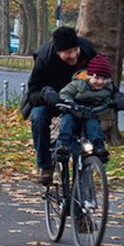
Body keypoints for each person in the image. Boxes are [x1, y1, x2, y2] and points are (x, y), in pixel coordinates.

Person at [25, 26, 96, 185]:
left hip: (77, 97)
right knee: (38, 118)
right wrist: (46, 95)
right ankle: (45, 165)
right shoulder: (44, 59)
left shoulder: (88, 51)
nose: (73, 56)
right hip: (50, 99)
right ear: (58, 53)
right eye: (67, 53)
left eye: (75, 50)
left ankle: (87, 160)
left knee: (86, 120)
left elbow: (103, 76)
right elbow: (33, 92)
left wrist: (115, 95)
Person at [55, 53, 113, 162]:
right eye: (97, 77)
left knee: (93, 126)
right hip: (73, 110)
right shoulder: (79, 84)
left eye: (104, 78)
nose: (100, 82)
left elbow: (107, 101)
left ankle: (99, 148)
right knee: (67, 121)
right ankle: (63, 146)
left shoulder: (107, 89)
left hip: (89, 113)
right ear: (89, 76)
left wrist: (103, 107)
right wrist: (71, 104)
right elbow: (64, 93)